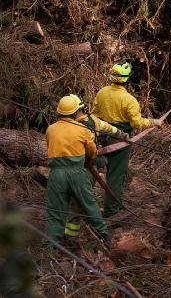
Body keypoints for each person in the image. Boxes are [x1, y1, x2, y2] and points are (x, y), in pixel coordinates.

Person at [92, 61, 162, 217]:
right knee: (115, 175)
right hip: (120, 140)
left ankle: (84, 204)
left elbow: (94, 115)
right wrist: (154, 122)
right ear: (128, 79)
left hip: (101, 136)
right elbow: (136, 123)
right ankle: (112, 210)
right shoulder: (129, 100)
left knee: (92, 171)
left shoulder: (101, 92)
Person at [45, 95, 111, 246]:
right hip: (77, 173)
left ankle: (50, 246)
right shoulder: (83, 129)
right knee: (88, 204)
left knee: (55, 210)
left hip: (56, 174)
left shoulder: (50, 130)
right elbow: (92, 153)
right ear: (75, 113)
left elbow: (50, 146)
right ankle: (105, 235)